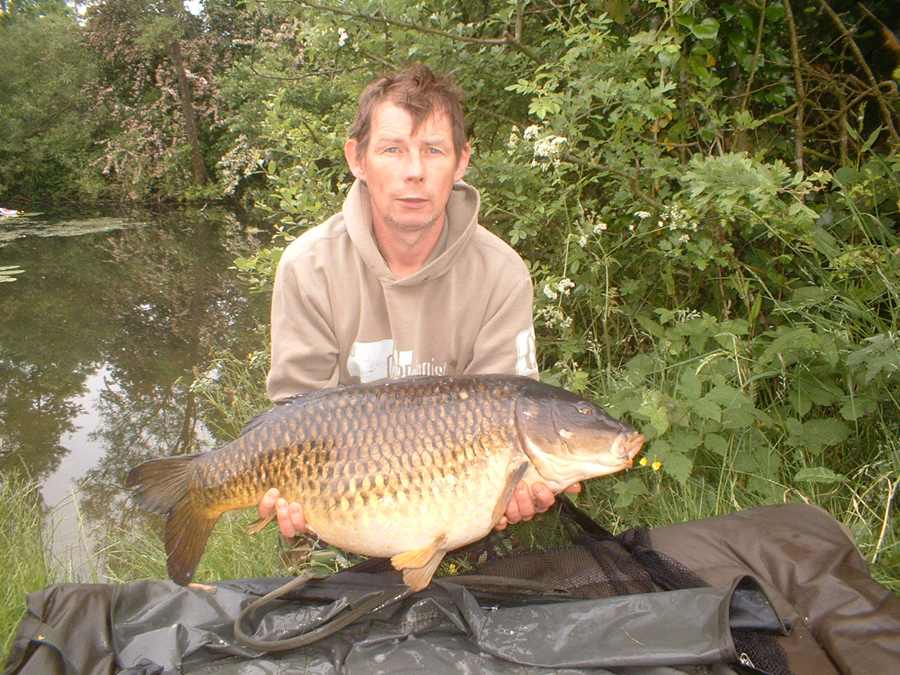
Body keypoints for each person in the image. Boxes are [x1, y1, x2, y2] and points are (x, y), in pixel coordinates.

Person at [258, 63, 579, 544]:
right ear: (357, 159)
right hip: (344, 507)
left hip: (459, 509)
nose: (414, 172)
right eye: (392, 149)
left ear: (462, 160)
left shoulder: (501, 272)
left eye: (434, 151)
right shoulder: (309, 266)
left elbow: (509, 412)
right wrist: (290, 496)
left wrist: (516, 488)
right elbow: (296, 414)